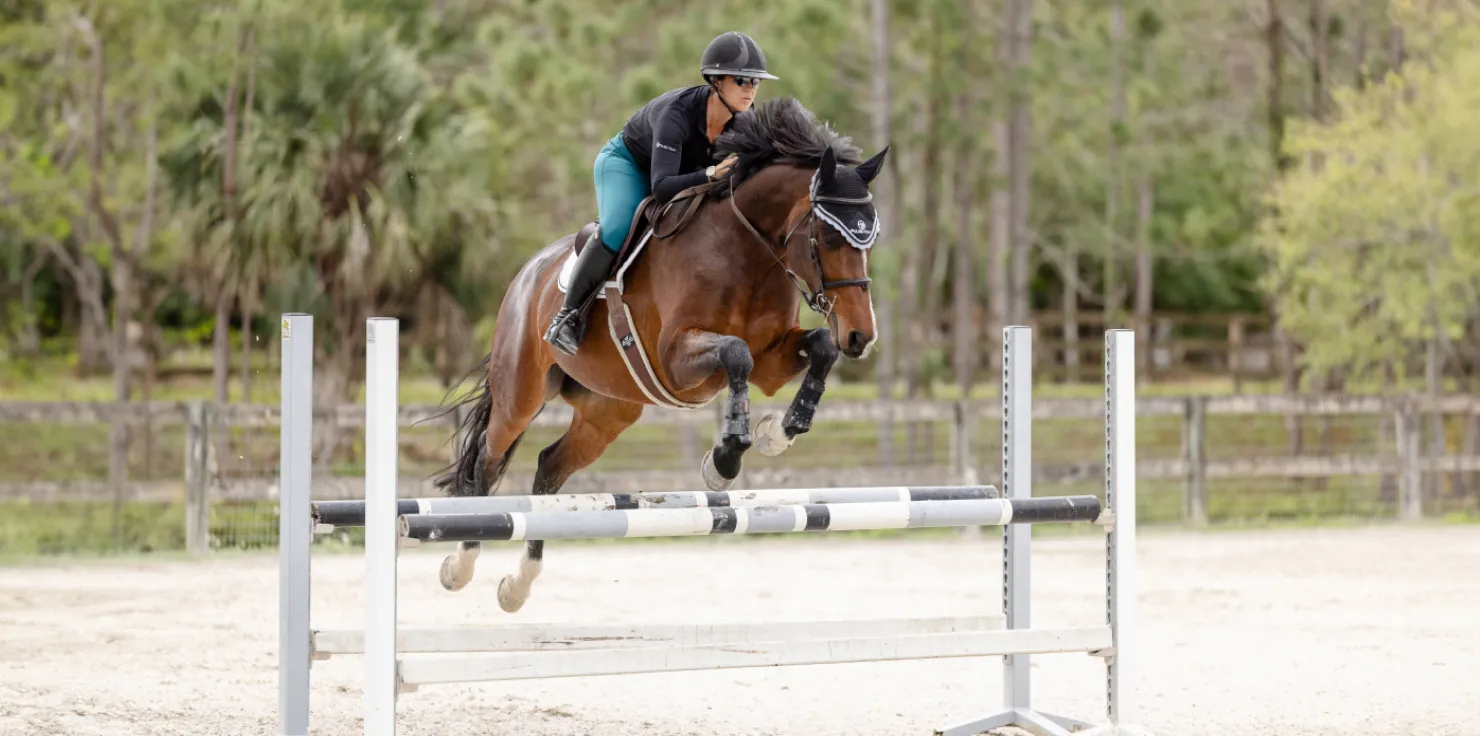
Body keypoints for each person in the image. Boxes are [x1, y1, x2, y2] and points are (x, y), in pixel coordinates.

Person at [543, 31, 780, 356]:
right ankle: (567, 317)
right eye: (742, 80)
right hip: (627, 164)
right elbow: (662, 187)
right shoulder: (677, 115)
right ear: (715, 81)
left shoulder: (746, 122)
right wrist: (711, 174)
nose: (750, 89)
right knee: (617, 226)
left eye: (755, 82)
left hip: (677, 173)